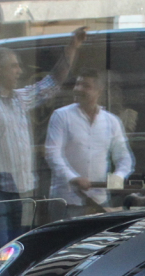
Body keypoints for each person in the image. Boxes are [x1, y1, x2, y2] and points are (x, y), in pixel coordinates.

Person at [0, 26, 86, 251]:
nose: (19, 71)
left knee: (17, 253)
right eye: (14, 66)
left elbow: (52, 83)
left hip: (23, 189)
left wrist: (72, 48)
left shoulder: (19, 98)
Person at [45, 68, 134, 218]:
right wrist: (73, 178)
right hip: (67, 200)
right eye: (77, 84)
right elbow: (52, 154)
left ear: (99, 90)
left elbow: (124, 157)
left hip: (99, 201)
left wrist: (118, 176)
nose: (78, 89)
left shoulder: (111, 121)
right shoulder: (61, 116)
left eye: (86, 86)